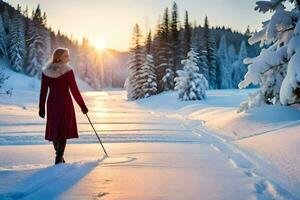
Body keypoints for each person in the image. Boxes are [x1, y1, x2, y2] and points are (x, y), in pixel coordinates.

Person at [39, 47, 88, 165]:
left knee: (55, 130)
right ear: (59, 57)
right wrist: (82, 105)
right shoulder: (68, 71)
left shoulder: (46, 71)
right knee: (63, 131)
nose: (68, 58)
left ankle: (59, 157)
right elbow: (74, 90)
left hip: (52, 104)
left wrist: (41, 107)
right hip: (65, 104)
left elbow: (43, 91)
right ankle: (59, 159)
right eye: (66, 56)